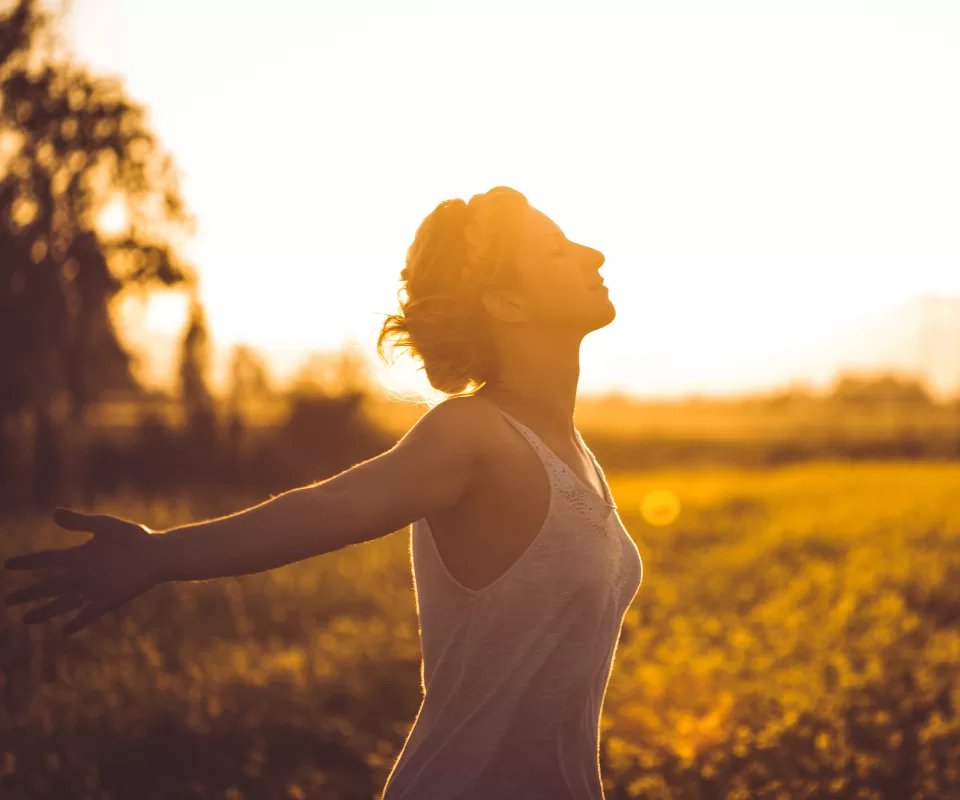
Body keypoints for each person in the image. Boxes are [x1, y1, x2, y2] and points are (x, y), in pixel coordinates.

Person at [3, 186, 644, 800]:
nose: (594, 255)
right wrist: (157, 553)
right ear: (508, 304)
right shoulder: (473, 435)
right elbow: (327, 507)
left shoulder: (572, 449)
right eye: (558, 250)